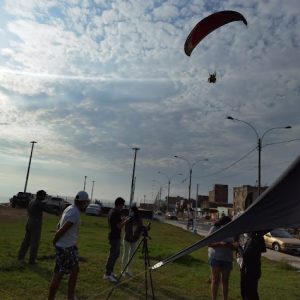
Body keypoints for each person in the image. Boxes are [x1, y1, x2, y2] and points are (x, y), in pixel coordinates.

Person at [48, 191, 90, 300]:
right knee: (59, 274)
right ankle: (65, 297)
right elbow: (63, 228)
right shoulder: (75, 213)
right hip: (65, 248)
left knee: (75, 269)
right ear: (82, 202)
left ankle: (70, 296)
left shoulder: (69, 208)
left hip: (68, 246)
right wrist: (55, 239)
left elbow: (59, 224)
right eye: (86, 203)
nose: (86, 205)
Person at [18, 189, 59, 265]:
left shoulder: (32, 201)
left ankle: (20, 257)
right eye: (43, 195)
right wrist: (55, 212)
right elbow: (46, 209)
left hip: (29, 221)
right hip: (35, 223)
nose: (44, 197)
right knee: (34, 242)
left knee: (26, 241)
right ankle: (32, 260)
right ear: (40, 195)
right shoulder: (38, 203)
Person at [208, 216, 237, 300]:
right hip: (215, 257)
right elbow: (208, 244)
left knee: (225, 280)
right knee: (215, 279)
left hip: (227, 258)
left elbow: (235, 245)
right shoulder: (214, 228)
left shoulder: (233, 231)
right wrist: (220, 244)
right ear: (222, 223)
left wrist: (231, 246)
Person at [103, 197, 130, 283]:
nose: (123, 207)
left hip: (114, 236)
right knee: (113, 255)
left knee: (115, 254)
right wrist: (126, 221)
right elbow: (119, 226)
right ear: (119, 204)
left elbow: (116, 223)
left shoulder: (112, 211)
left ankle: (110, 272)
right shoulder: (116, 213)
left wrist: (123, 219)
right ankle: (107, 274)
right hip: (114, 237)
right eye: (122, 205)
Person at [240, 231, 266, 300]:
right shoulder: (257, 239)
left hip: (249, 271)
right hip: (255, 270)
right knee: (253, 291)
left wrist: (238, 247)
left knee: (248, 292)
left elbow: (246, 255)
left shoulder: (253, 241)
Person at [121, 204, 143, 276]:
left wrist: (138, 236)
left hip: (135, 239)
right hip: (127, 239)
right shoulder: (128, 218)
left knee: (131, 256)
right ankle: (123, 270)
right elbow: (125, 228)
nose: (131, 212)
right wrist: (126, 219)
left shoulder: (139, 219)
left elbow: (140, 228)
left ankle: (129, 270)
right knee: (125, 254)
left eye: (131, 211)